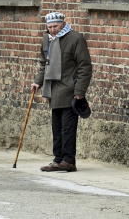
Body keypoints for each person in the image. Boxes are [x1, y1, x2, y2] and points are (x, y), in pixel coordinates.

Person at [30, 11, 92, 173]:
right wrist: (38, 81)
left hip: (70, 90)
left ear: (63, 23)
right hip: (53, 89)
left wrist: (79, 92)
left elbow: (84, 67)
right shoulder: (47, 39)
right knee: (56, 127)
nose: (52, 30)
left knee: (68, 127)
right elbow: (44, 63)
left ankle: (68, 160)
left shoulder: (75, 38)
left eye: (55, 26)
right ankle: (58, 159)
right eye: (49, 27)